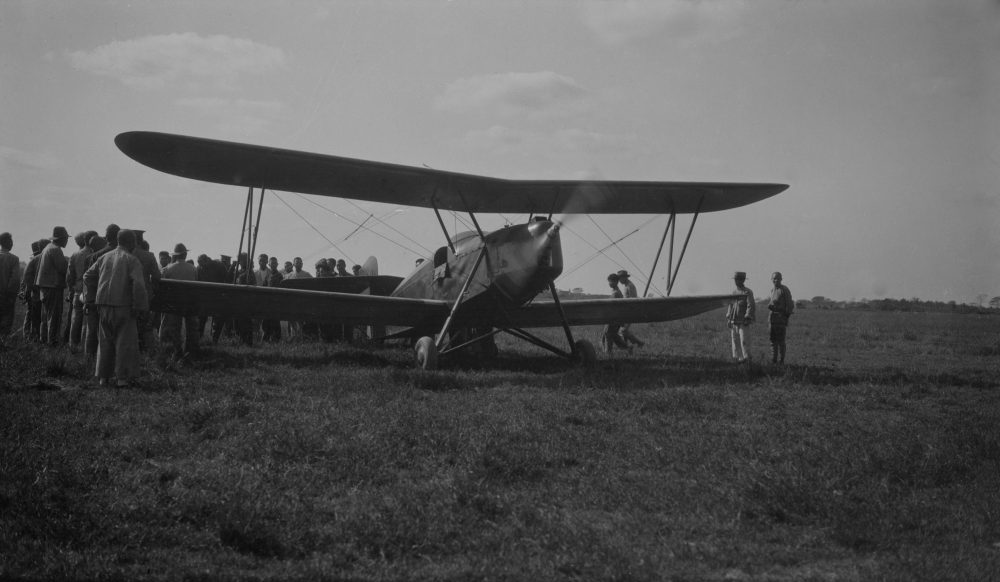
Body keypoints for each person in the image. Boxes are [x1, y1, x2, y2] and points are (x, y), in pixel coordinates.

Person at [83, 229, 148, 387]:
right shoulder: (132, 260)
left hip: (103, 305)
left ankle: (103, 377)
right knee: (124, 342)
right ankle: (122, 379)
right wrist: (138, 306)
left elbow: (87, 276)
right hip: (123, 306)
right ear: (131, 242)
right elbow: (138, 285)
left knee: (105, 342)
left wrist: (90, 298)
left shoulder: (104, 257)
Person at [159, 243, 199, 358]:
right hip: (190, 303)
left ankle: (175, 351)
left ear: (175, 255)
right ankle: (191, 351)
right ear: (185, 254)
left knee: (173, 326)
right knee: (191, 326)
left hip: (174, 303)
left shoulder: (168, 269)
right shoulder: (193, 269)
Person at [36, 226, 70, 346]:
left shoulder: (48, 248)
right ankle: (52, 342)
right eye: (66, 238)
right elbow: (63, 268)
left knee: (46, 316)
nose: (67, 241)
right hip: (53, 286)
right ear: (61, 239)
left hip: (45, 286)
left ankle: (43, 339)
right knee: (54, 316)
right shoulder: (56, 250)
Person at [64, 231, 95, 349]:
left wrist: (72, 288)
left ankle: (72, 345)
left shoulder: (75, 254)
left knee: (75, 319)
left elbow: (69, 275)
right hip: (89, 291)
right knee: (87, 322)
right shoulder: (95, 254)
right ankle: (84, 347)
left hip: (77, 290)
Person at [725, 271, 755, 363]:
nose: (736, 281)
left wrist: (747, 317)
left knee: (744, 341)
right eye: (735, 279)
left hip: (743, 321)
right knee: (735, 341)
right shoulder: (734, 292)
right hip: (734, 320)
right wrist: (729, 317)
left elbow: (751, 305)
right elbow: (731, 305)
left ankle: (747, 359)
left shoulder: (747, 292)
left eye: (738, 279)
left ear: (742, 280)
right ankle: (738, 359)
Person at [19, 240, 45, 342]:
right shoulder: (36, 261)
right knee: (33, 314)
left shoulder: (32, 261)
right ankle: (30, 335)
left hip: (31, 291)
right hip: (34, 291)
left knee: (30, 314)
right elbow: (26, 279)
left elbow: (24, 280)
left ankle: (28, 335)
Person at [767, 271, 794, 365]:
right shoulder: (772, 290)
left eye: (778, 278)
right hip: (772, 319)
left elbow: (790, 305)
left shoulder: (784, 289)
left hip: (781, 319)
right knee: (772, 341)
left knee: (781, 341)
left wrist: (786, 317)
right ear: (771, 279)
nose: (776, 280)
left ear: (781, 279)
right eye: (774, 278)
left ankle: (781, 361)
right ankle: (773, 360)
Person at [600, 273, 630, 355]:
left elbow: (612, 307)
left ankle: (608, 352)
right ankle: (627, 348)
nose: (609, 283)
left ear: (615, 282)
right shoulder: (616, 292)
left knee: (608, 334)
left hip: (613, 318)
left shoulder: (616, 293)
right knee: (613, 335)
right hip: (615, 318)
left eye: (610, 281)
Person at [0, 232, 20, 347]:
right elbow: (15, 279)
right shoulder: (13, 259)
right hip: (6, 295)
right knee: (6, 322)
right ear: (9, 243)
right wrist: (11, 295)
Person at [616, 270, 645, 348]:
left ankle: (639, 342)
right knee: (623, 331)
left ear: (625, 277)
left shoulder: (630, 286)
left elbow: (633, 300)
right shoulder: (626, 286)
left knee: (623, 330)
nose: (619, 280)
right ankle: (627, 346)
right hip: (626, 311)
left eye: (620, 278)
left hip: (630, 311)